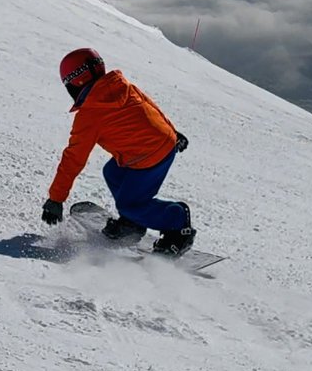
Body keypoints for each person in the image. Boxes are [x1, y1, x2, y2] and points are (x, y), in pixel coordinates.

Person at [41, 48, 196, 255]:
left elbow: (73, 158)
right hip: (160, 144)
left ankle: (177, 224)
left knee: (130, 204)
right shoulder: (121, 85)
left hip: (149, 156)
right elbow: (148, 106)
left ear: (76, 81)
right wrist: (172, 131)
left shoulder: (90, 114)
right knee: (113, 172)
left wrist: (56, 198)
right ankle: (132, 223)